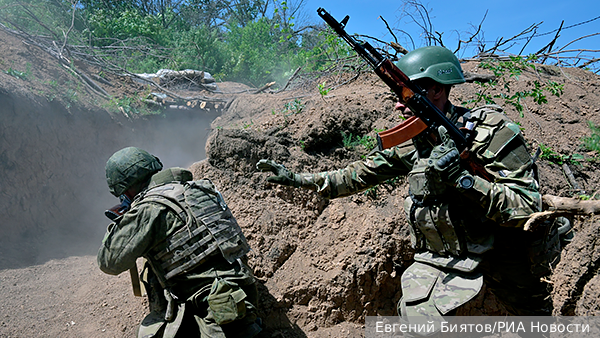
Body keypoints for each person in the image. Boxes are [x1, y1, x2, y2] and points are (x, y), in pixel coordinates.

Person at [257, 46, 563, 320]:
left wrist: (464, 179)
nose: (398, 107)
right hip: (449, 258)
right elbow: (357, 174)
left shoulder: (492, 133)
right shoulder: (416, 143)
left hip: (510, 252)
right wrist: (299, 179)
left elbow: (526, 207)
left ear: (437, 90)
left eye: (406, 96)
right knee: (417, 319)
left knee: (541, 320)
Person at [98, 147, 262, 338]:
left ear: (126, 187)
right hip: (241, 295)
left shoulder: (149, 208)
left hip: (215, 314)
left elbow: (109, 262)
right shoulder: (199, 189)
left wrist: (121, 222)